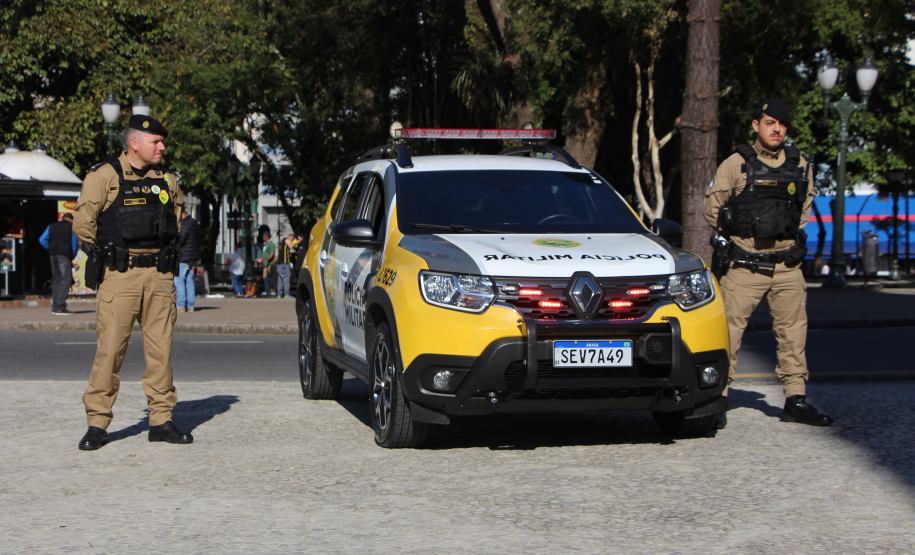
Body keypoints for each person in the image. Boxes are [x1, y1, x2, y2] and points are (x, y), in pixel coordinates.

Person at [704, 98, 833, 429]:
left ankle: (795, 399)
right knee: (729, 335)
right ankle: (717, 398)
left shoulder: (799, 164)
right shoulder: (736, 164)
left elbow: (804, 207)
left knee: (793, 334)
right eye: (770, 122)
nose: (777, 129)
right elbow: (713, 209)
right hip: (746, 266)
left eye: (782, 124)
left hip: (787, 266)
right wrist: (740, 233)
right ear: (756, 125)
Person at [72, 114, 193, 450]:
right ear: (134, 143)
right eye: (155, 141)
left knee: (160, 353)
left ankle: (161, 420)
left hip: (159, 276)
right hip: (120, 277)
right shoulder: (105, 175)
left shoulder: (167, 179)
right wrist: (109, 253)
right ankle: (97, 424)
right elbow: (83, 224)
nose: (162, 147)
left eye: (162, 141)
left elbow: (177, 219)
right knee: (110, 351)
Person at [39, 213, 79, 315]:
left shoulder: (51, 226)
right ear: (71, 220)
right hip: (64, 255)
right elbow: (74, 244)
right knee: (66, 279)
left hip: (53, 255)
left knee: (56, 279)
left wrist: (51, 248)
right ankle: (61, 306)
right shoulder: (71, 227)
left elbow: (42, 239)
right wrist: (71, 257)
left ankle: (55, 306)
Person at [175, 207, 201, 312]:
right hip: (193, 256)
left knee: (179, 279)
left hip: (184, 256)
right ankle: (190, 305)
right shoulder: (194, 222)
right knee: (189, 279)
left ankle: (181, 304)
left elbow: (181, 239)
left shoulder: (185, 224)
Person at [255, 230, 276, 297]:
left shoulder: (271, 244)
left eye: (263, 237)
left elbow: (271, 254)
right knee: (264, 277)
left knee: (267, 277)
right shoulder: (266, 244)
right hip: (265, 264)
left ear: (267, 237)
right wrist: (261, 259)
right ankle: (267, 290)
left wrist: (267, 259)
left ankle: (269, 291)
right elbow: (265, 253)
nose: (263, 238)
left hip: (269, 264)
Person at [276, 234, 294, 298]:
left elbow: (277, 253)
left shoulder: (281, 242)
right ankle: (287, 294)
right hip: (285, 262)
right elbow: (291, 246)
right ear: (290, 237)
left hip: (279, 263)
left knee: (280, 279)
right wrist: (299, 241)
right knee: (286, 278)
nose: (292, 240)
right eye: (292, 239)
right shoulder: (287, 240)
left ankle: (279, 294)